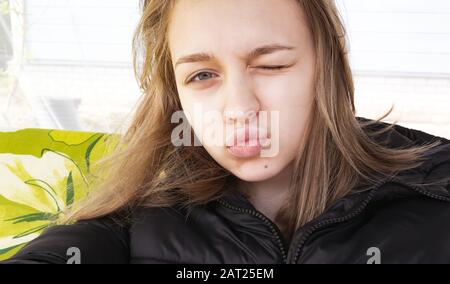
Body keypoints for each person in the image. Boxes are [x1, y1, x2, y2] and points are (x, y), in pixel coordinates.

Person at [2, 0, 450, 264]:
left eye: (271, 65)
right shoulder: (135, 218)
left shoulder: (438, 189)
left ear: (328, 68)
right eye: (201, 76)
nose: (237, 109)